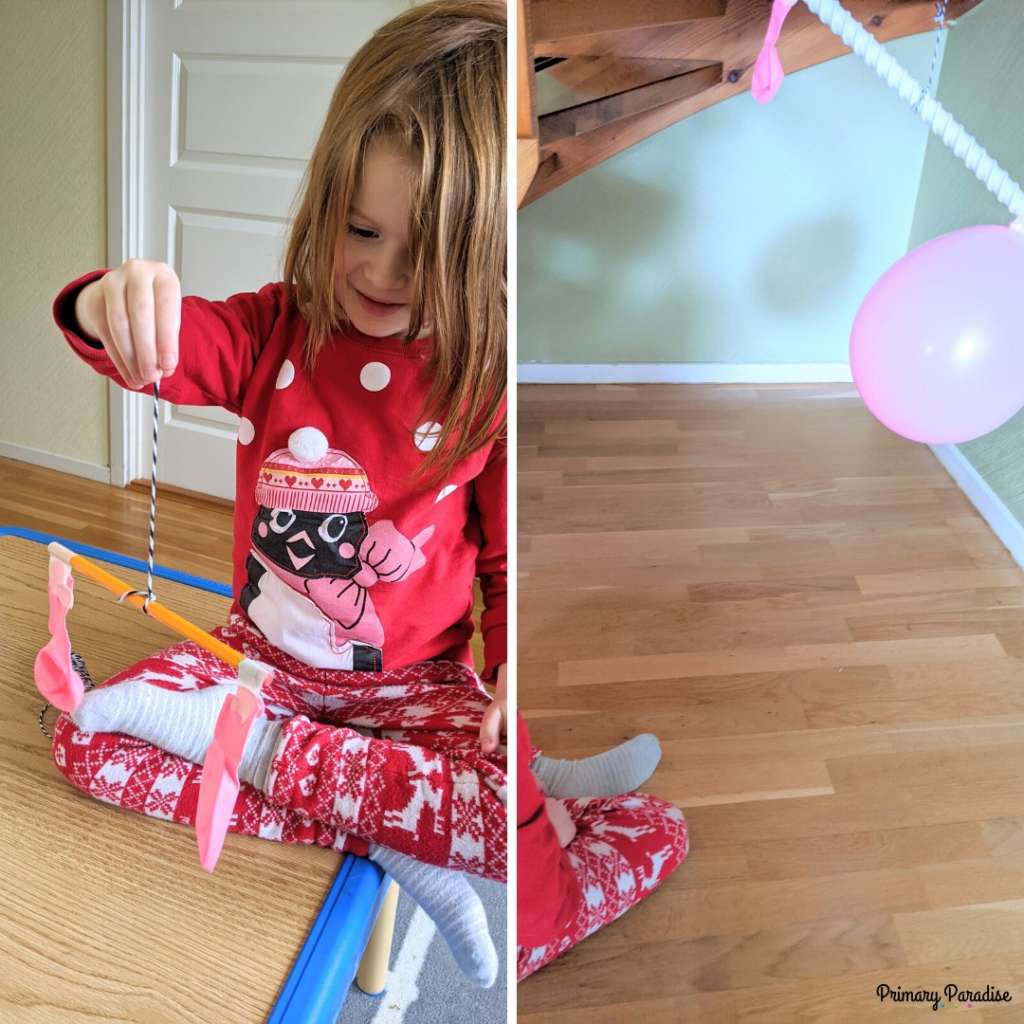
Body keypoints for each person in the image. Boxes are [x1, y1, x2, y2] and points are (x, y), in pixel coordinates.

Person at [48, 0, 506, 989]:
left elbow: (509, 562)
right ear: (324, 199)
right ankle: (383, 832)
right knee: (86, 733)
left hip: (415, 687)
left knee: (513, 807)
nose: (380, 272)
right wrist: (110, 302)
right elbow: (155, 354)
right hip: (256, 669)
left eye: (422, 248)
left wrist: (511, 671)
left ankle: (281, 768)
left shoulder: (489, 379)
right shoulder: (270, 331)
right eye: (358, 227)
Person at [517, 716, 689, 980]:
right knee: (664, 827)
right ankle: (529, 781)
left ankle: (527, 772)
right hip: (527, 918)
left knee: (451, 687)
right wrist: (541, 831)